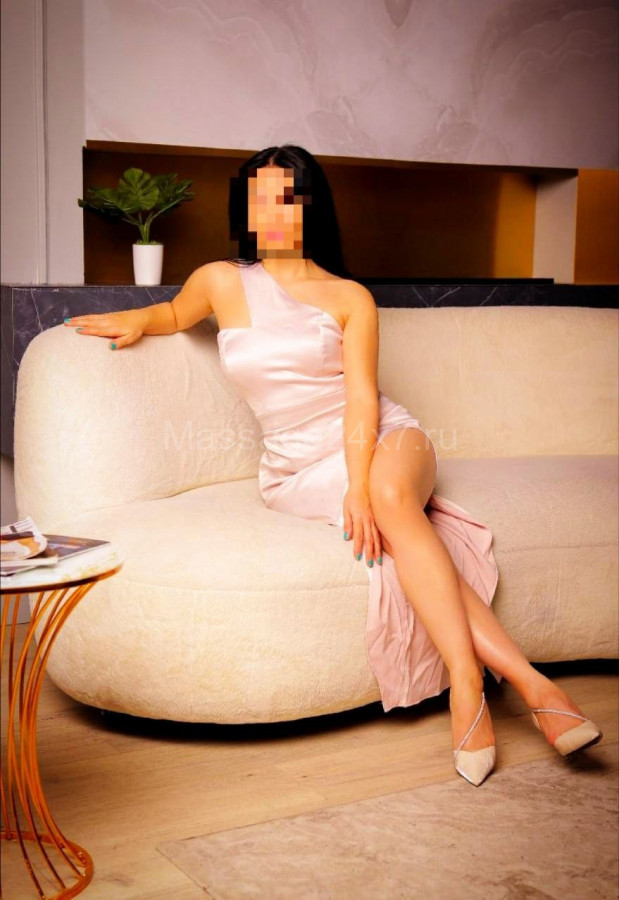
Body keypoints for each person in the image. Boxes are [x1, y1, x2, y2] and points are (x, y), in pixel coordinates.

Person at [65, 144, 603, 786]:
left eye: (285, 198)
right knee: (407, 533)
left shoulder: (349, 296)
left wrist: (359, 484)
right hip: (295, 471)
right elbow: (176, 313)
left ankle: (467, 685)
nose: (270, 211)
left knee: (390, 503)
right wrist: (134, 320)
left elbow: (362, 400)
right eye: (258, 198)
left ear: (310, 207)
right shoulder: (220, 280)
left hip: (384, 438)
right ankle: (537, 688)